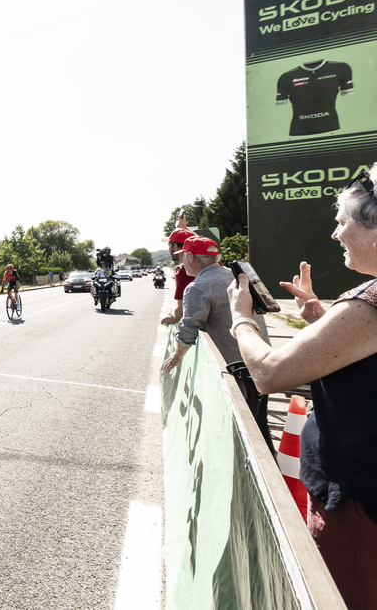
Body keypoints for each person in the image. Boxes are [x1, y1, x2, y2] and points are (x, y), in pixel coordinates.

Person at [229, 173, 377, 609]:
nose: (336, 233)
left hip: (357, 504)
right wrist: (321, 320)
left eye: (342, 220)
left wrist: (242, 318)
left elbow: (269, 373)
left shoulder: (368, 304)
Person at [161, 235, 269, 373]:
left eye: (183, 257)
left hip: (239, 368)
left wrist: (177, 356)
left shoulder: (197, 287)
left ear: (190, 257)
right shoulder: (234, 275)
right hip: (264, 356)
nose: (182, 263)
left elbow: (188, 328)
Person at [160, 216, 197, 326]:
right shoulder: (209, 262)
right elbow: (205, 242)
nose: (168, 248)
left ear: (175, 246)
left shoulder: (184, 273)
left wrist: (174, 317)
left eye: (169, 245)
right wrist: (184, 228)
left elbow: (181, 311)